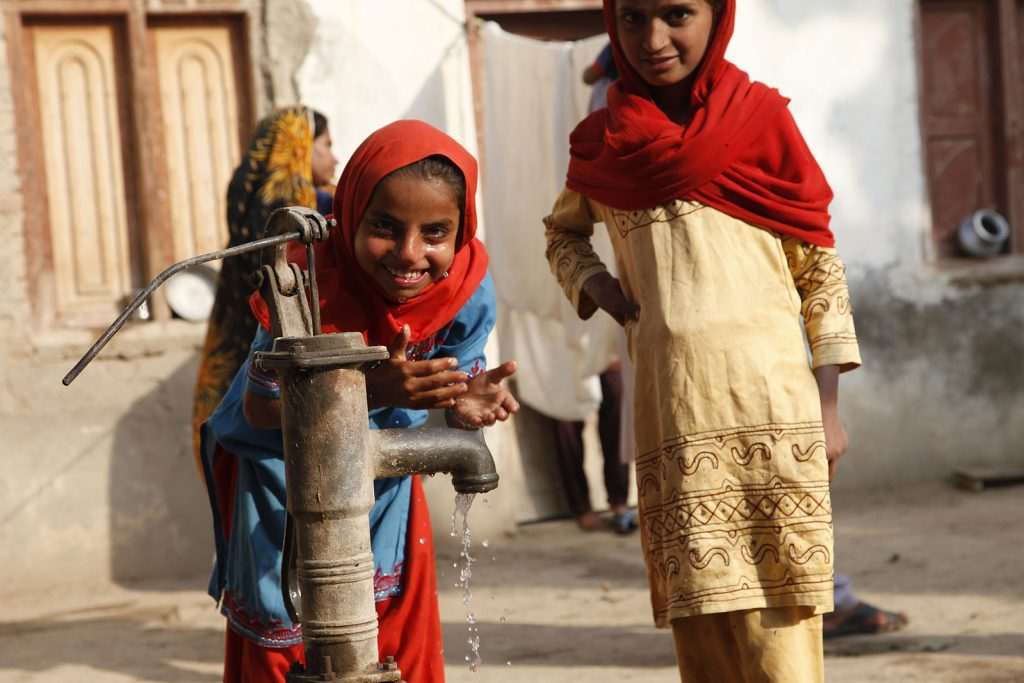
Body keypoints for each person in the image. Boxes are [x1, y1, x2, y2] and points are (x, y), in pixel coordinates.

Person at [544, 1, 861, 680]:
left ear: (718, 15)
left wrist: (828, 400)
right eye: (633, 18)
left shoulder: (760, 119)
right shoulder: (604, 145)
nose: (654, 39)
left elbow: (817, 262)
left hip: (772, 413)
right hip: (675, 419)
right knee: (703, 623)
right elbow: (562, 231)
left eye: (677, 14)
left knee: (782, 629)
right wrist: (597, 286)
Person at [200, 120, 520, 683]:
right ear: (348, 214)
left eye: (435, 233)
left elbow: (456, 388)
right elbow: (259, 411)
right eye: (385, 228)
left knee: (393, 636)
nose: (409, 254)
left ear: (462, 231)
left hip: (384, 475)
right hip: (281, 477)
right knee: (289, 640)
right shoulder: (304, 281)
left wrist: (465, 401)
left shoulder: (465, 286)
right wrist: (372, 391)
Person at [191, 106, 338, 476]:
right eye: (326, 145)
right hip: (291, 387)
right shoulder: (308, 216)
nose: (335, 158)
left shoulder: (248, 207)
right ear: (300, 149)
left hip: (238, 382)